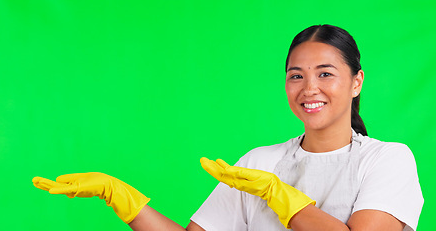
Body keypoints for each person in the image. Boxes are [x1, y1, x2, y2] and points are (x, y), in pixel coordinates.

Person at [32, 24, 424, 231]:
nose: (309, 89)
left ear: (356, 82)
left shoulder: (387, 160)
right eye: (295, 76)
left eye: (326, 74)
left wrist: (279, 195)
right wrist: (119, 196)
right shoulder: (259, 161)